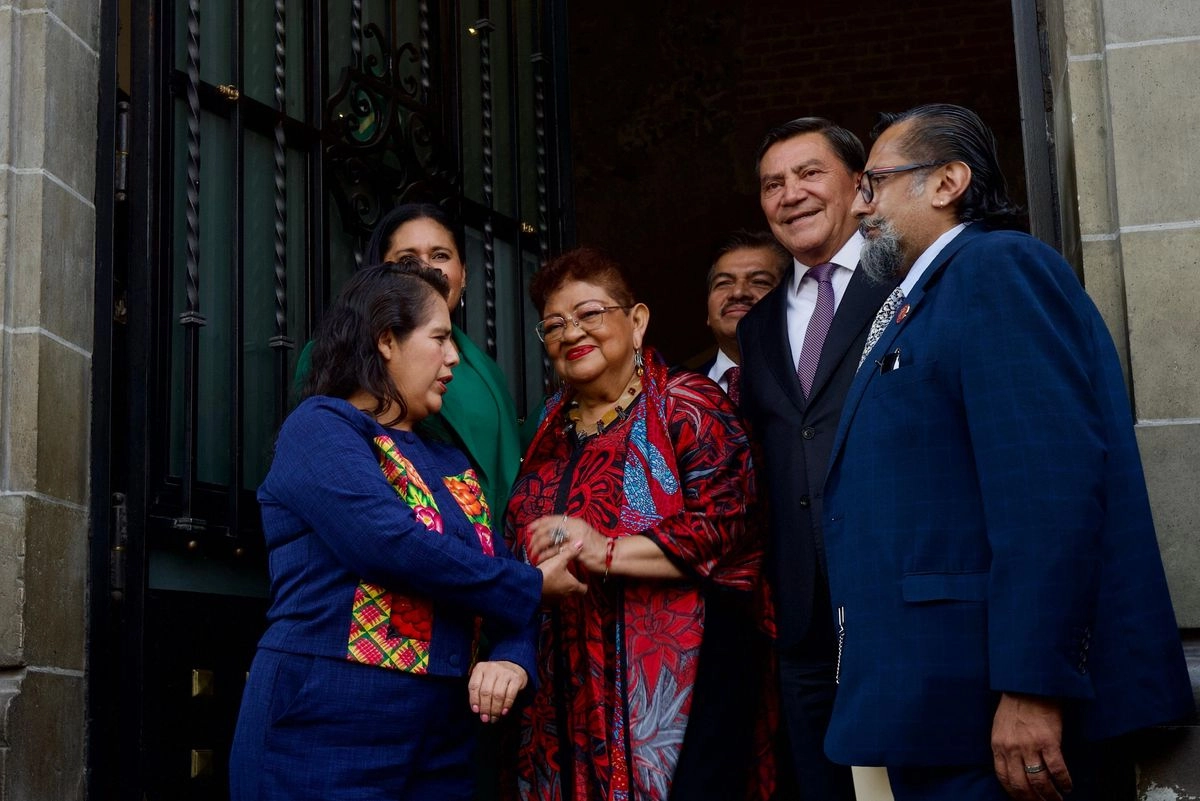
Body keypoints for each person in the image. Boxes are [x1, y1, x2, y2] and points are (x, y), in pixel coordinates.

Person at [824, 102, 1193, 801]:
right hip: (932, 707)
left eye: (874, 183)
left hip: (994, 713)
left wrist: (1032, 687)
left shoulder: (996, 269)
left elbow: (1046, 491)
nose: (860, 207)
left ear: (948, 181)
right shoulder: (920, 296)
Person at [229, 259, 586, 801]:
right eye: (440, 338)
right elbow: (388, 544)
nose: (454, 358)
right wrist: (533, 586)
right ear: (386, 340)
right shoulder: (322, 426)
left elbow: (500, 569)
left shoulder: (451, 462)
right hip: (327, 720)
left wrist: (514, 653)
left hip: (446, 733)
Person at [505, 247, 767, 801]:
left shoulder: (687, 403)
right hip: (564, 683)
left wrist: (603, 550)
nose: (571, 332)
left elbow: (727, 525)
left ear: (638, 319)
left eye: (590, 314)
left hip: (679, 680)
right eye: (554, 324)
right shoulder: (548, 426)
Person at [737, 117, 896, 801]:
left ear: (860, 187)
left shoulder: (907, 278)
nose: (790, 194)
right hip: (803, 618)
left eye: (808, 174)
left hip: (896, 594)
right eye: (773, 184)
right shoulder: (758, 323)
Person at [294, 203, 524, 519]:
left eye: (440, 255)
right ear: (381, 273)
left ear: (465, 274)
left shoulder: (488, 372)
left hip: (493, 552)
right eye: (407, 260)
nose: (427, 269)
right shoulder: (335, 351)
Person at [698, 230, 789, 404]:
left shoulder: (811, 376)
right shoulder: (676, 394)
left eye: (760, 281)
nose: (738, 292)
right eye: (723, 283)